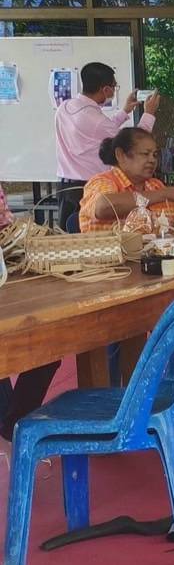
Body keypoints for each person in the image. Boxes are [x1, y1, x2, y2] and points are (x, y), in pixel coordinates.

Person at [54, 62, 160, 231]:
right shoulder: (97, 120)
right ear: (105, 90)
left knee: (69, 241)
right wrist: (149, 113)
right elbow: (137, 142)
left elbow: (99, 131)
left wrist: (125, 111)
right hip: (89, 186)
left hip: (64, 186)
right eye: (114, 86)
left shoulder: (64, 107)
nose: (114, 90)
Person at [0, 184, 59, 455]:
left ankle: (12, 427)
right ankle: (12, 430)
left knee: (49, 342)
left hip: (10, 272)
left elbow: (8, 227)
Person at [78, 128, 174, 232]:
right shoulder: (102, 182)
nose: (152, 160)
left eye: (155, 155)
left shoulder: (156, 186)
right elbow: (104, 207)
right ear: (120, 155)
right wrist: (165, 193)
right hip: (113, 259)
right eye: (145, 154)